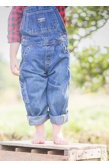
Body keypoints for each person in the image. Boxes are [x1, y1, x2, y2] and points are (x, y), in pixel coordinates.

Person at [8, 6, 70, 144]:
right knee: (33, 90)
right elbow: (14, 33)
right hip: (31, 54)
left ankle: (57, 132)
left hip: (58, 50)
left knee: (59, 88)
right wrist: (13, 58)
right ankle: (39, 132)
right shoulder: (19, 6)